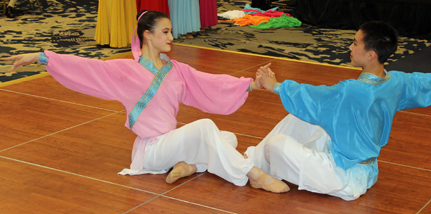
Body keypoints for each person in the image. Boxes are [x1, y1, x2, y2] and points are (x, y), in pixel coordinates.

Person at [3, 10, 289, 193]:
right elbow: (88, 67)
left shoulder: (176, 70)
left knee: (227, 136)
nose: (171, 36)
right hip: (150, 150)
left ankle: (188, 165)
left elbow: (210, 83)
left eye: (170, 31)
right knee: (205, 129)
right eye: (164, 31)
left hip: (170, 143)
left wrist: (254, 85)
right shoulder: (126, 70)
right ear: (147, 36)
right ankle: (252, 174)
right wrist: (41, 57)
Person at [247, 21, 431, 200]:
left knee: (276, 144)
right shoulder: (395, 82)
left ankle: (250, 167)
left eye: (355, 42)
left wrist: (275, 86)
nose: (350, 47)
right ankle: (252, 164)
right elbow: (425, 82)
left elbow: (315, 97)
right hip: (367, 171)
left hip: (341, 177)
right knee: (301, 118)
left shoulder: (351, 91)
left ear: (371, 54)